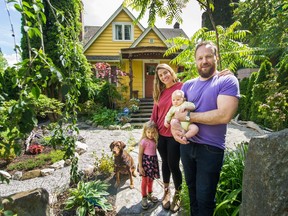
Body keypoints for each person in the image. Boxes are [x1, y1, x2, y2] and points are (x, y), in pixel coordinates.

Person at [171, 41, 240, 216]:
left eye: (208, 56)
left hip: (211, 149)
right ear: (195, 61)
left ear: (216, 57)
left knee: (205, 198)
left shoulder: (227, 80)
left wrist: (188, 117)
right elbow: (178, 113)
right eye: (200, 58)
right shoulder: (187, 85)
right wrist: (174, 128)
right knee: (192, 193)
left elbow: (224, 115)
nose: (204, 61)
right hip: (187, 145)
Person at [151, 63, 183, 213]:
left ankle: (178, 193)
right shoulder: (160, 92)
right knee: (165, 162)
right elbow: (154, 115)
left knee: (173, 164)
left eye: (166, 73)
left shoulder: (182, 87)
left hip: (174, 135)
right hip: (160, 134)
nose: (164, 76)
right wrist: (150, 132)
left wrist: (219, 74)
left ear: (171, 71)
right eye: (160, 75)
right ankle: (166, 191)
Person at [138, 120, 160, 210]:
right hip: (145, 162)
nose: (150, 134)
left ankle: (150, 194)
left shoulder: (155, 140)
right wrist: (140, 166)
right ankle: (144, 197)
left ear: (155, 132)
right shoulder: (143, 141)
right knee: (144, 181)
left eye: (152, 132)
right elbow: (140, 154)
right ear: (145, 132)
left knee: (151, 180)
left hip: (153, 162)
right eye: (148, 132)